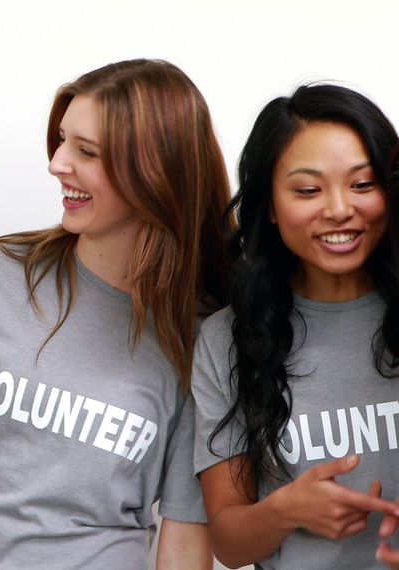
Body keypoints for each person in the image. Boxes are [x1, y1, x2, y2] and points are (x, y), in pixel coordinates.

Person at [0, 59, 230, 569]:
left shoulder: (201, 339)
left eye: (86, 151)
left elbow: (184, 533)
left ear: (153, 173)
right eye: (63, 140)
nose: (57, 163)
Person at [193, 84, 399, 569]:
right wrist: (285, 511)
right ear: (269, 204)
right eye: (308, 189)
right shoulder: (228, 337)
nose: (338, 209)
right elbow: (229, 543)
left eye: (363, 184)